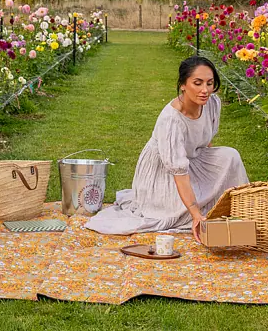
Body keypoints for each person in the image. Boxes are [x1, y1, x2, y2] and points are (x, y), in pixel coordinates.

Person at [84, 56, 249, 242]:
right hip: (164, 169)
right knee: (179, 213)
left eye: (210, 83)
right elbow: (179, 173)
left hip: (192, 158)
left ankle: (240, 206)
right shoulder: (171, 120)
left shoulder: (212, 103)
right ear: (183, 85)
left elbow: (205, 141)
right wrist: (195, 213)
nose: (205, 90)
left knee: (230, 155)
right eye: (198, 83)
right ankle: (191, 208)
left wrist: (212, 172)